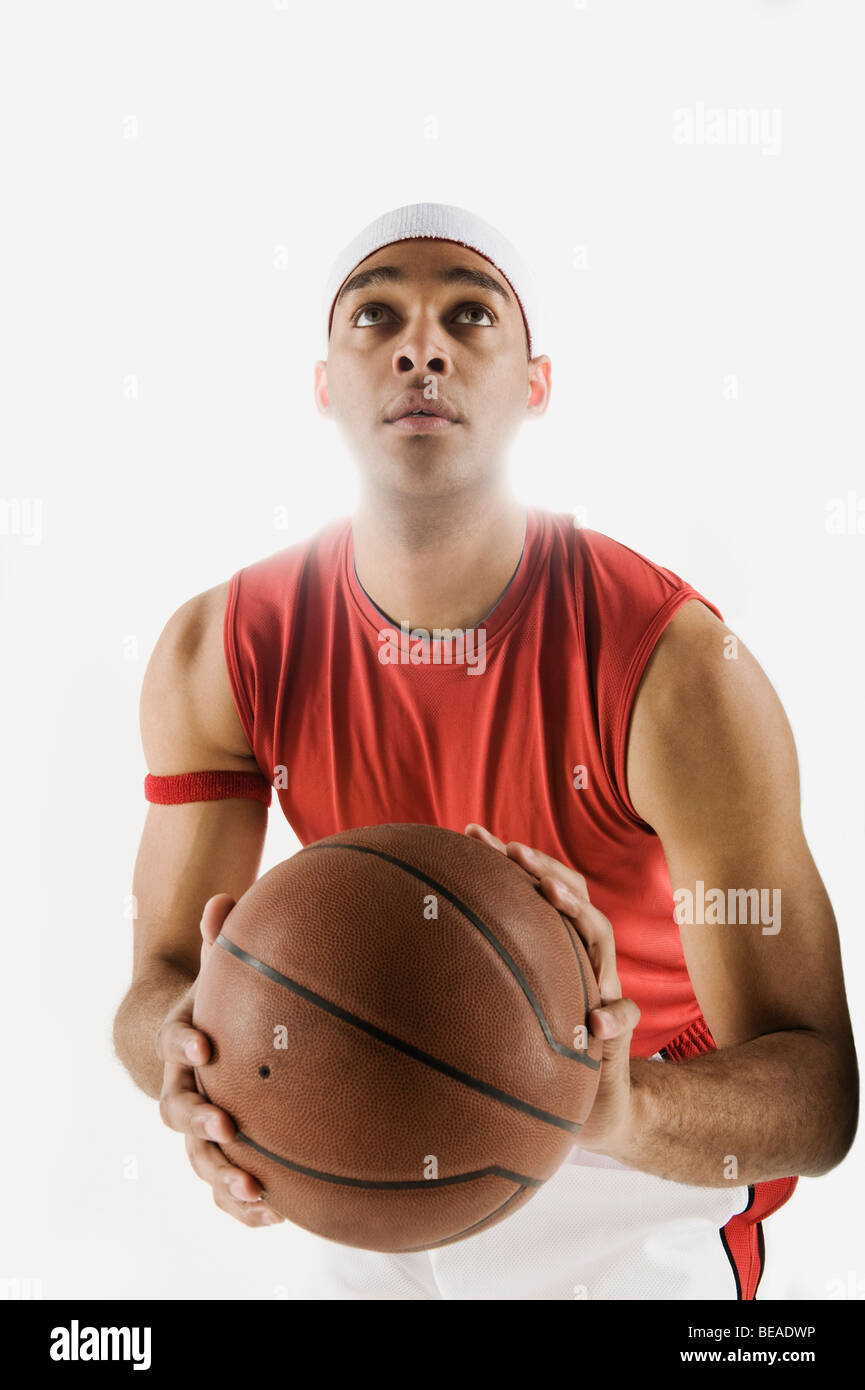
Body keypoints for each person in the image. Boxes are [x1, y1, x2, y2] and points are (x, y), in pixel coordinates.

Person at [113, 202, 858, 1300]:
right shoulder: (218, 651)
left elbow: (817, 1095)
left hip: (641, 1138)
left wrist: (618, 1101)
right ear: (323, 383)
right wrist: (189, 1063)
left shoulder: (677, 669)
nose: (423, 345)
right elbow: (155, 988)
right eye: (377, 315)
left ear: (535, 386)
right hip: (363, 1114)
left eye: (470, 314)